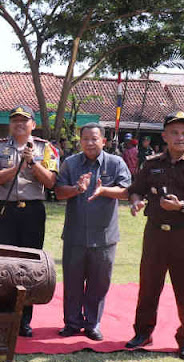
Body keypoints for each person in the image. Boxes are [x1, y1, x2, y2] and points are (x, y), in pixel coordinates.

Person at [0, 105, 59, 337]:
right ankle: (3, 315)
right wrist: (16, 168)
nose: (19, 124)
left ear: (33, 124)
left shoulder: (46, 148)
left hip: (32, 211)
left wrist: (33, 164)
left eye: (24, 120)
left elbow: (51, 182)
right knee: (4, 263)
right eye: (15, 120)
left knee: (29, 264)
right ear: (10, 124)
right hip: (5, 210)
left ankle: (24, 319)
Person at [54, 123, 131, 340]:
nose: (89, 142)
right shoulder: (70, 164)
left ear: (103, 141)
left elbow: (127, 191)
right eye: (85, 138)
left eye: (94, 138)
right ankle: (71, 322)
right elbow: (58, 192)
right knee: (72, 281)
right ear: (80, 141)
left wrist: (105, 190)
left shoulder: (115, 163)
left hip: (104, 236)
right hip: (75, 235)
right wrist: (76, 189)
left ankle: (92, 323)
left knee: (99, 282)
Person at [125, 111, 184, 361]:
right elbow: (135, 190)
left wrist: (182, 207)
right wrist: (135, 202)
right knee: (149, 286)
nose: (180, 137)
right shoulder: (152, 164)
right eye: (174, 132)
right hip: (155, 234)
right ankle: (142, 333)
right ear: (164, 136)